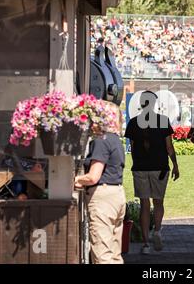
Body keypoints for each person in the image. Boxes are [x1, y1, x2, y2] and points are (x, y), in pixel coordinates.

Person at [124, 91, 180, 255]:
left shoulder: (133, 123)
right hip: (160, 167)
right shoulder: (163, 121)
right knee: (159, 202)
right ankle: (157, 231)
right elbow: (169, 147)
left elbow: (133, 148)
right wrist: (175, 165)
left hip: (141, 167)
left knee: (144, 205)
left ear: (141, 104)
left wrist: (138, 162)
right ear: (154, 103)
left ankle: (146, 244)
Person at [74, 103, 126, 264]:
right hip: (117, 195)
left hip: (103, 199)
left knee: (102, 254)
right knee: (115, 253)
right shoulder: (115, 140)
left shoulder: (101, 141)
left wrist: (75, 180)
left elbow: (93, 177)